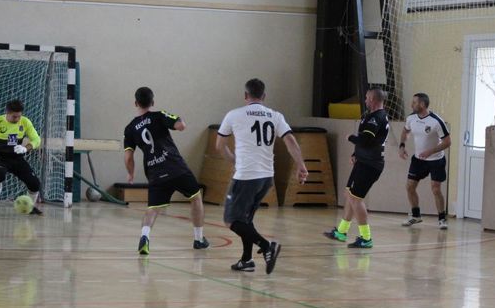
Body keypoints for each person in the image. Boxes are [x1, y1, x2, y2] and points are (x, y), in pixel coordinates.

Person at [215, 78, 308, 274]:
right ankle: (246, 260)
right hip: (266, 177)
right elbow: (290, 141)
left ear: (245, 95)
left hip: (246, 175)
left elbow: (220, 146)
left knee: (231, 220)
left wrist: (234, 161)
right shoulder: (275, 115)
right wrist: (301, 165)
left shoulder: (234, 115)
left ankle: (267, 247)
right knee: (246, 219)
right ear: (264, 96)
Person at [123, 87, 208, 255]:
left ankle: (144, 237)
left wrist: (131, 173)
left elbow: (128, 157)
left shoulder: (130, 128)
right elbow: (181, 125)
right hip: (175, 167)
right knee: (195, 197)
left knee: (153, 208)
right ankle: (199, 239)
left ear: (136, 103)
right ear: (152, 102)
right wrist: (178, 119)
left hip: (155, 172)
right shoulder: (159, 115)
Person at [324, 88, 390, 248]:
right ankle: (341, 231)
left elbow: (365, 140)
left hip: (370, 165)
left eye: (367, 98)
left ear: (373, 99)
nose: (365, 101)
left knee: (356, 199)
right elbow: (368, 142)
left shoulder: (376, 118)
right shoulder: (371, 116)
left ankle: (366, 238)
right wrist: (356, 153)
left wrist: (351, 138)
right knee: (350, 195)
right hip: (363, 161)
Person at [0, 99, 42, 216]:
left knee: (34, 183)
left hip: (17, 158)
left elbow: (37, 139)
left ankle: (30, 207)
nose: (17, 119)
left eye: (19, 116)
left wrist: (25, 148)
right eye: (14, 117)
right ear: (7, 113)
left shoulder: (25, 122)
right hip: (0, 157)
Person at [398, 93, 451, 229]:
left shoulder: (436, 121)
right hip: (418, 160)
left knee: (435, 189)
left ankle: (442, 219)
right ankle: (416, 216)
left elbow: (447, 142)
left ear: (422, 104)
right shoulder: (411, 118)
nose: (411, 105)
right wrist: (402, 146)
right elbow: (405, 132)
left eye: (414, 102)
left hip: (436, 160)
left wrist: (430, 151)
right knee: (410, 186)